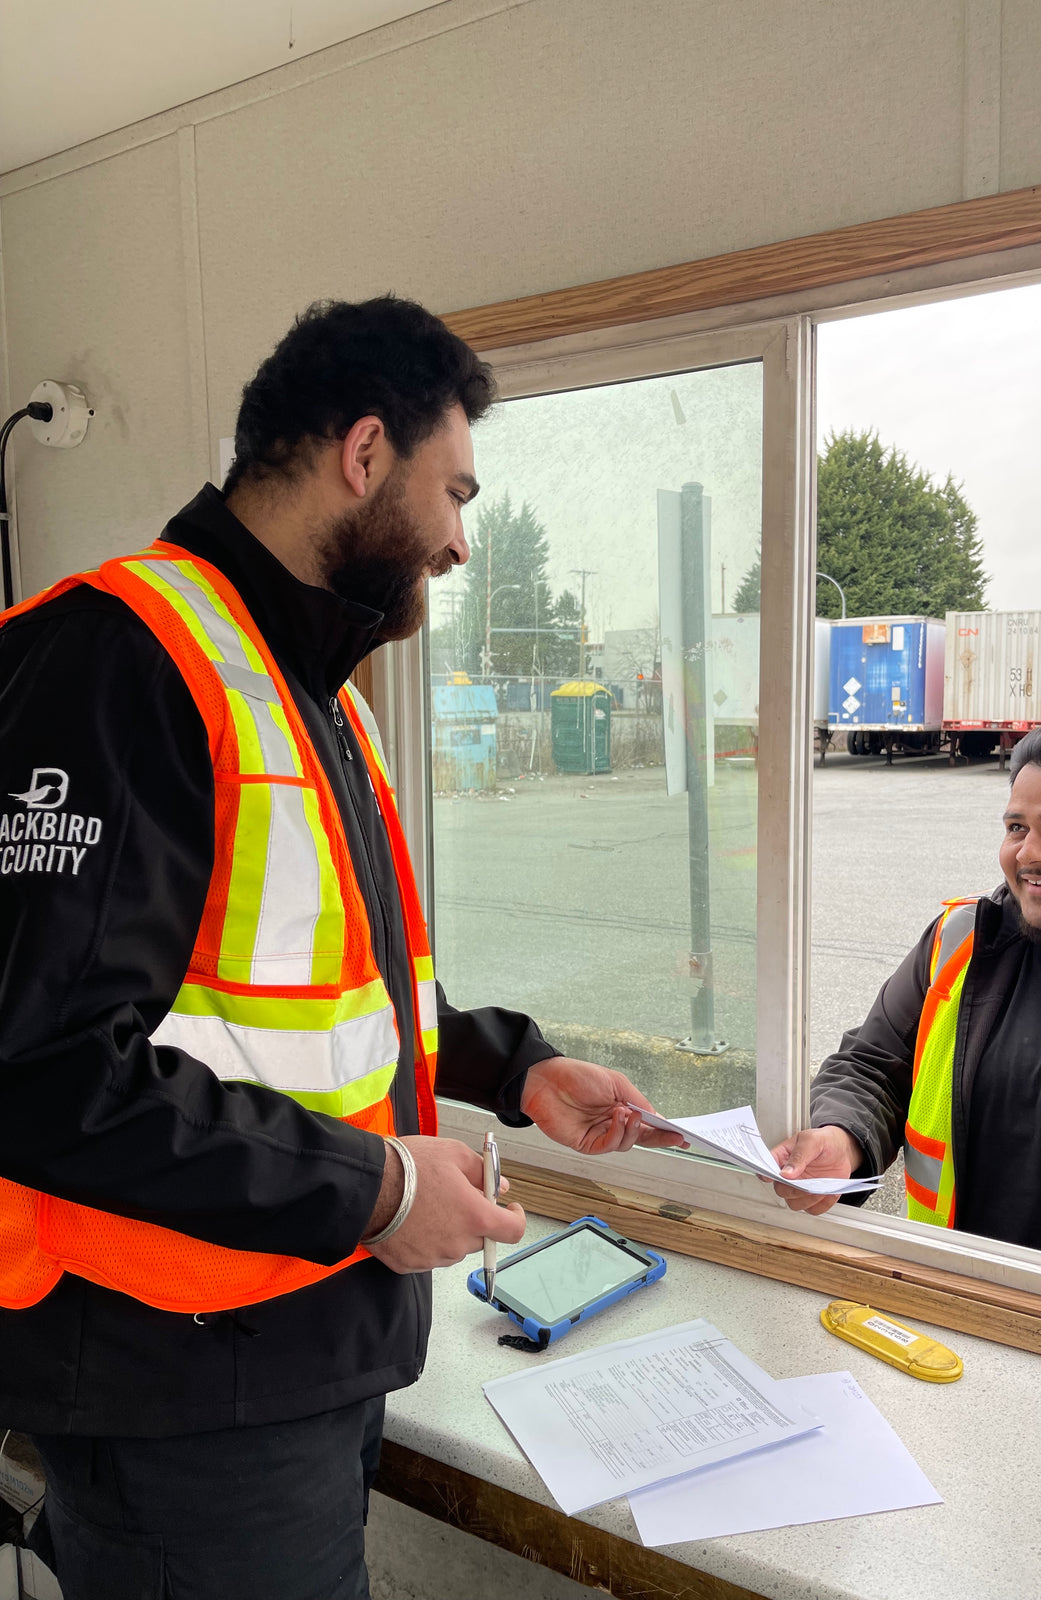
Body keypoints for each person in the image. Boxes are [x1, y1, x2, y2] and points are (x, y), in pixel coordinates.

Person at [0, 295, 683, 1599]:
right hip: (184, 1380)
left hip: (302, 1343)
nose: (461, 542)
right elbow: (39, 1070)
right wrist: (374, 1188)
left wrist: (516, 1069)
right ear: (363, 454)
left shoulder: (306, 689)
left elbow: (324, 1002)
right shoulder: (124, 667)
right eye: (454, 490)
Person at [771, 717, 1041, 1287]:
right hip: (959, 1305)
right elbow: (873, 1066)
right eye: (1016, 827)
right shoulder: (961, 943)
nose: (1030, 854)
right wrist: (842, 1137)